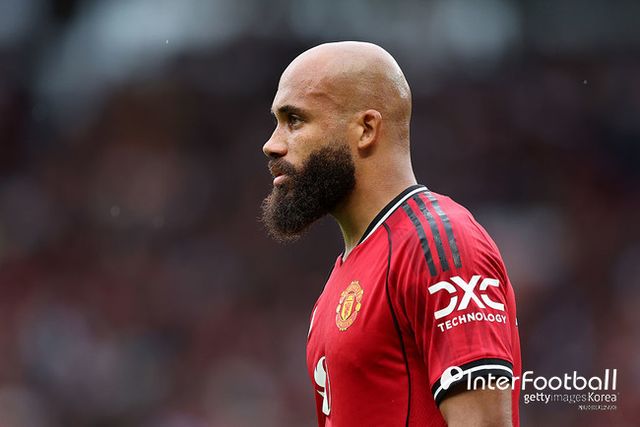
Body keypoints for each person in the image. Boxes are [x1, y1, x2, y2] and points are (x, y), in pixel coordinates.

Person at [261, 41, 521, 427]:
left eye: (294, 120)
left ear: (366, 129)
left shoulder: (440, 246)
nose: (272, 144)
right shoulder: (342, 279)